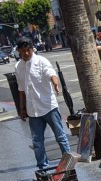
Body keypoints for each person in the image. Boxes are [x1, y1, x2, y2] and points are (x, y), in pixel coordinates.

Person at [14, 37, 71, 171]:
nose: (27, 53)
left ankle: (68, 162)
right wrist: (21, 108)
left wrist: (55, 82)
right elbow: (21, 89)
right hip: (32, 110)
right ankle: (42, 167)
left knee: (61, 136)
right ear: (19, 51)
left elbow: (50, 73)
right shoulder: (18, 67)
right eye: (23, 51)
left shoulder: (41, 61)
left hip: (48, 106)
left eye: (28, 50)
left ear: (32, 49)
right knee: (37, 142)